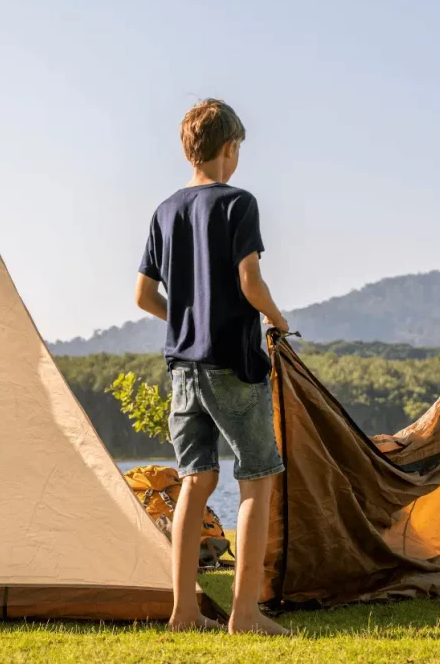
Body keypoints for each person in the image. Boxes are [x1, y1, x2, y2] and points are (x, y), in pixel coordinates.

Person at [135, 98, 289, 634]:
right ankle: (245, 614)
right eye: (239, 148)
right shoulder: (238, 204)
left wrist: (183, 318)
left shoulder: (165, 210)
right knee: (258, 479)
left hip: (181, 368)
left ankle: (183, 612)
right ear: (230, 149)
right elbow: (250, 281)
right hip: (231, 363)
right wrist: (278, 318)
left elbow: (143, 296)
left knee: (194, 480)